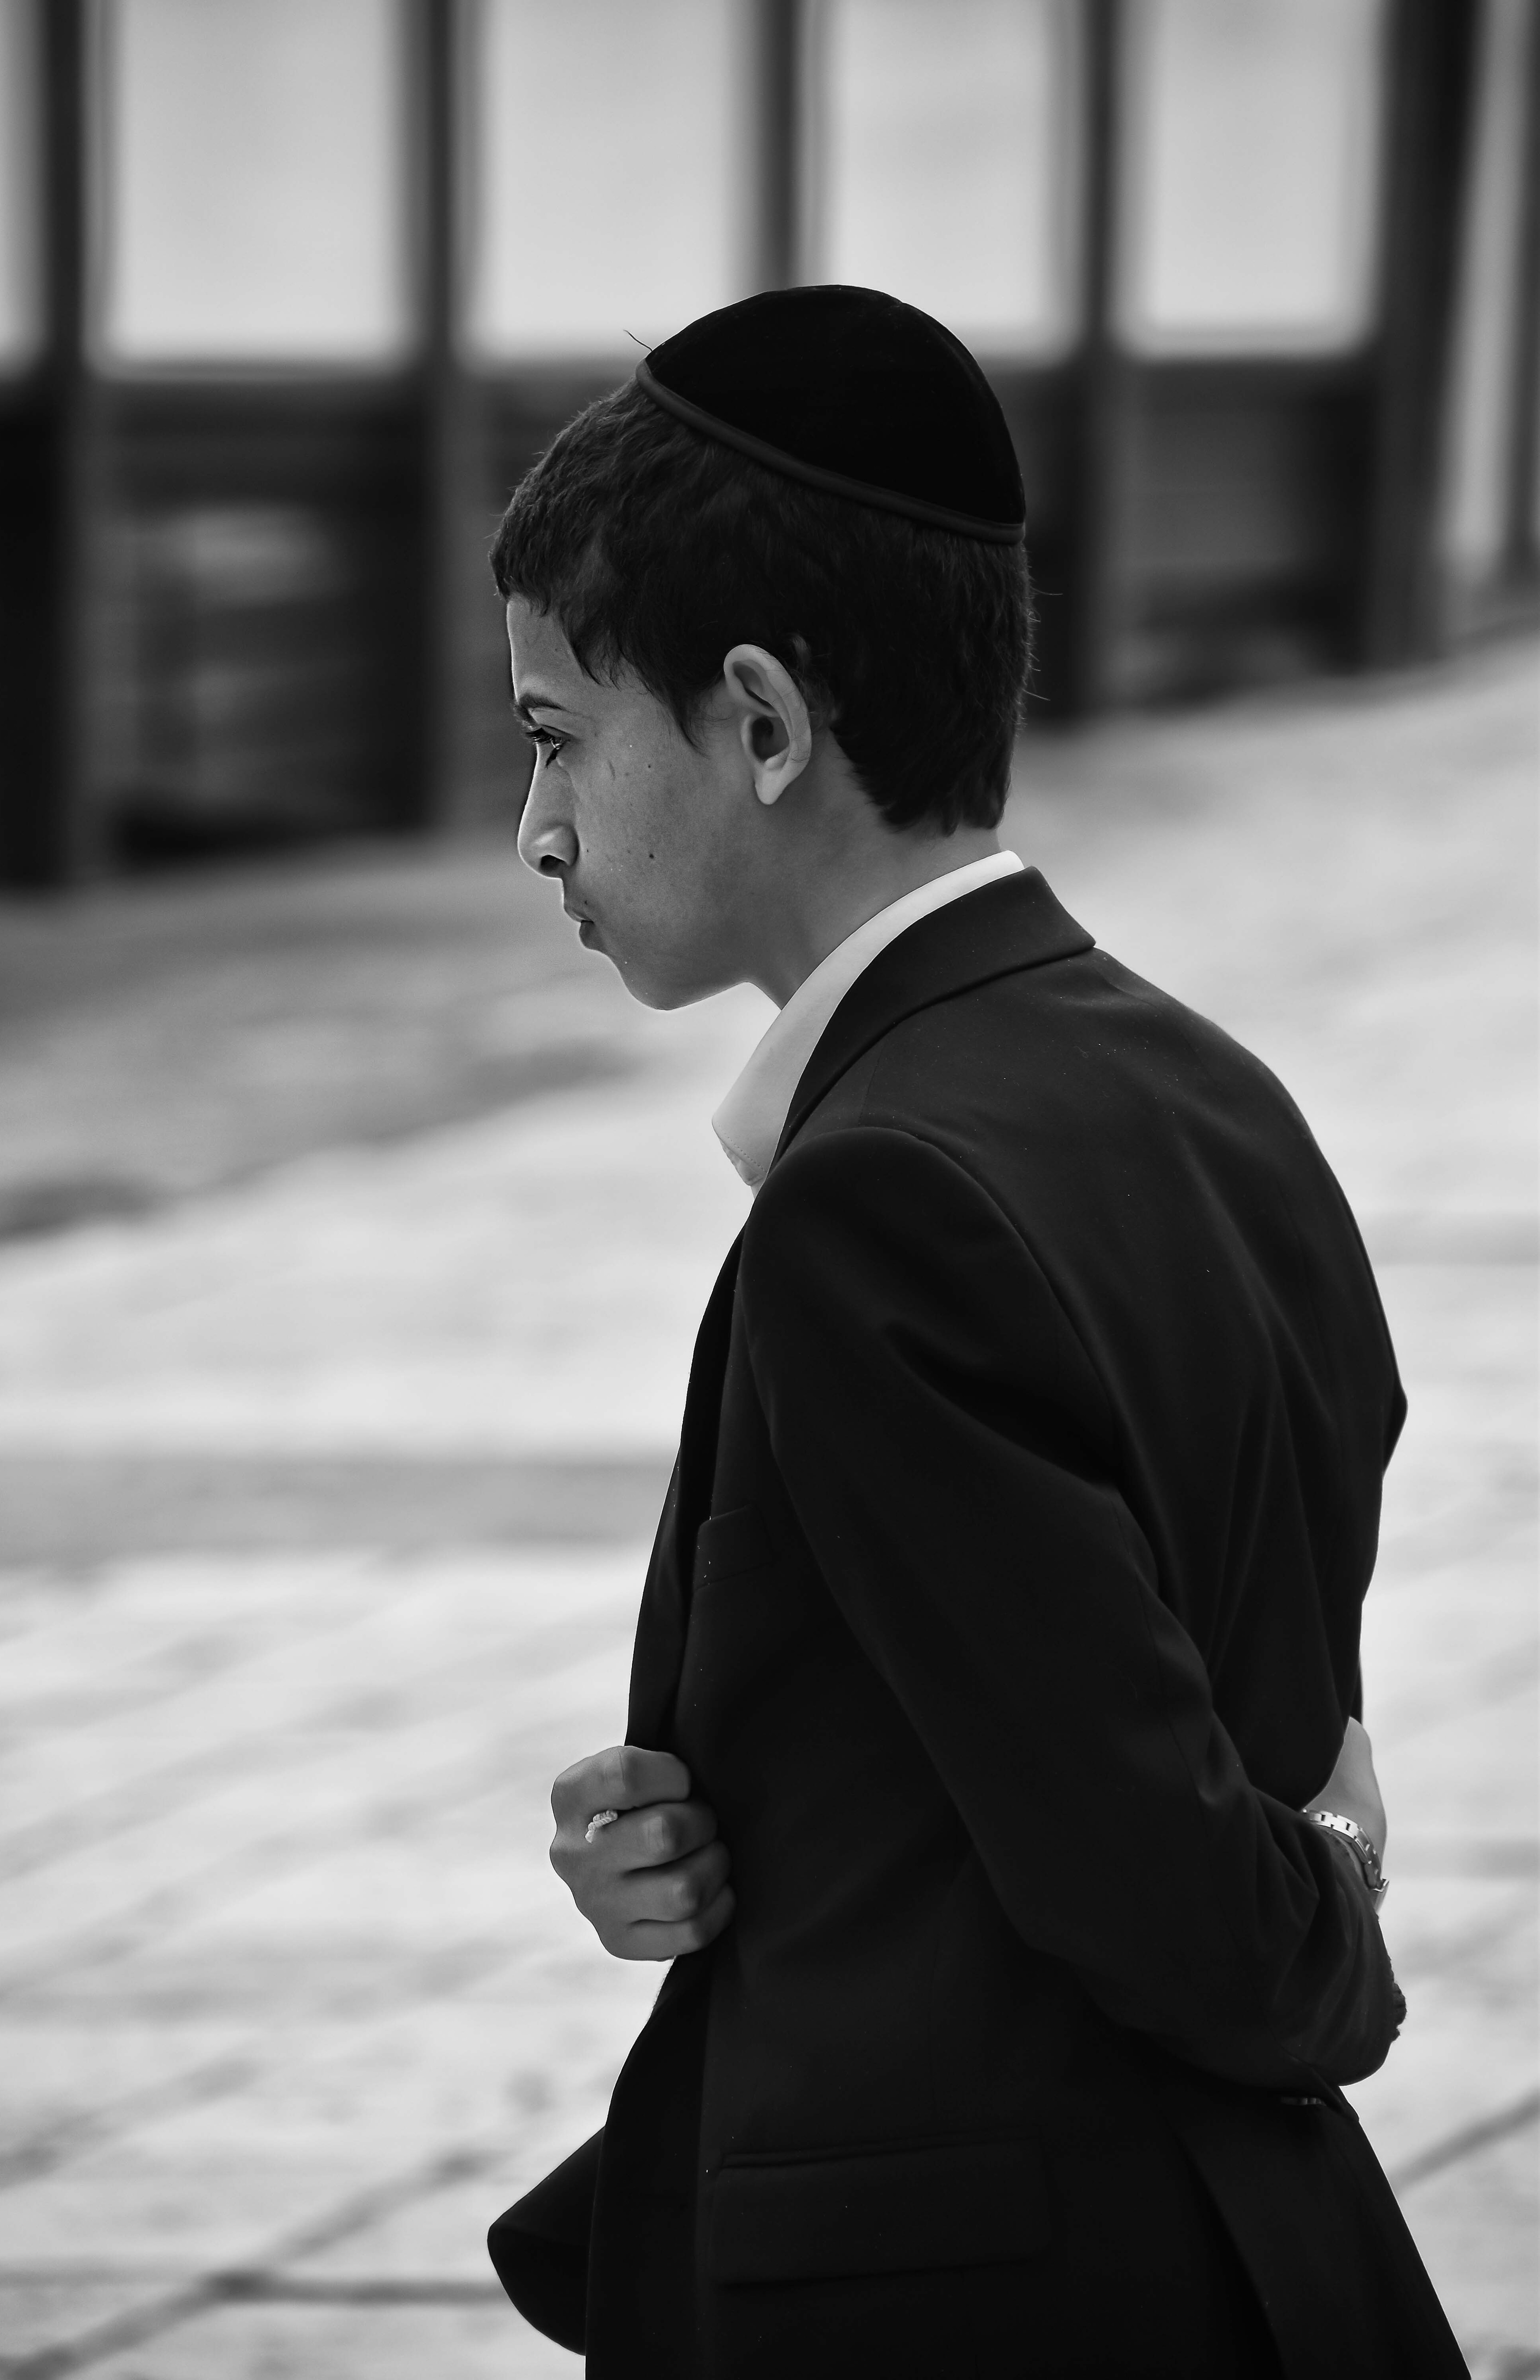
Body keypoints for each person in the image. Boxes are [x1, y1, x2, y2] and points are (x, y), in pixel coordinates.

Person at [485, 287, 1466, 2378]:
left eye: (559, 736)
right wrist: (716, 1825)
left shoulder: (883, 1205)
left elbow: (1176, 1881)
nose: (536, 829)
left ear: (762, 723)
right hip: (1223, 2254)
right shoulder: (1211, 1094)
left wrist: (1340, 1901)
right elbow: (1171, 1710)